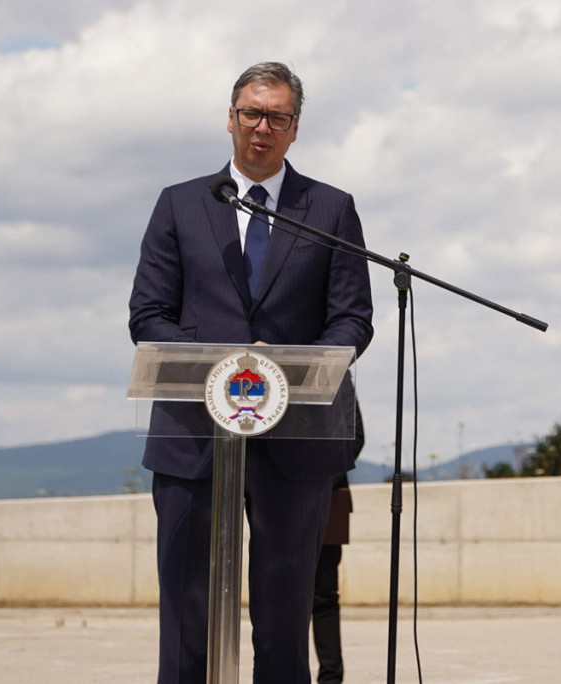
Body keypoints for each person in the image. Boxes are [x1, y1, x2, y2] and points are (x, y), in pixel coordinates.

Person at [128, 62, 373, 684]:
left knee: (285, 623)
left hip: (295, 444)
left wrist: (283, 368)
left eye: (278, 117)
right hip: (192, 439)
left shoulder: (331, 208)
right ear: (230, 118)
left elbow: (352, 321)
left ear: (296, 129)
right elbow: (148, 314)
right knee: (186, 619)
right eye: (251, 114)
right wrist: (229, 363)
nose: (262, 128)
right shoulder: (180, 204)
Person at [312, 402, 363, 684]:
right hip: (276, 493)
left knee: (324, 598)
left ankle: (330, 679)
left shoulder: (339, 371)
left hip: (328, 495)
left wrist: (314, 471)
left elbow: (355, 436)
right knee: (278, 594)